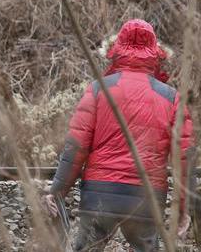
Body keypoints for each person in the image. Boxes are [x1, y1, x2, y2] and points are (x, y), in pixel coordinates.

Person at [44, 19, 195, 251]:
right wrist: (185, 208)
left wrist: (57, 192)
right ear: (156, 53)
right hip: (146, 197)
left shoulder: (98, 89)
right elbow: (184, 157)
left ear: (116, 50)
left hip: (100, 193)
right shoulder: (172, 98)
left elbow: (76, 146)